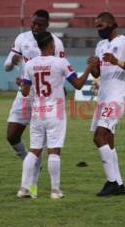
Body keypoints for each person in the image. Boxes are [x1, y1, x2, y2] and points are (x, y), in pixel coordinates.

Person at [17, 31, 97, 199]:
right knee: (54, 151)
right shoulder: (61, 62)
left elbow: (24, 92)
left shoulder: (30, 64)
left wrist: (22, 83)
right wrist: (89, 68)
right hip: (55, 112)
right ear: (52, 46)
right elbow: (78, 85)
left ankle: (24, 189)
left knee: (34, 151)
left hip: (37, 112)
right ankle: (55, 190)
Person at [3, 9, 65, 197]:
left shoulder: (56, 43)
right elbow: (6, 66)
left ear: (47, 24)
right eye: (33, 23)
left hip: (45, 99)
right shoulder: (22, 38)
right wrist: (12, 62)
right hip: (25, 94)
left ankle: (31, 185)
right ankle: (32, 164)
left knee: (46, 143)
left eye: (39, 24)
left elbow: (59, 72)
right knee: (12, 136)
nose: (35, 27)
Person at [88, 12, 125, 196]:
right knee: (108, 141)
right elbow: (97, 74)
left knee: (99, 137)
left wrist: (117, 61)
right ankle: (119, 184)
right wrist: (93, 65)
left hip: (116, 97)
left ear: (112, 25)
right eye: (97, 26)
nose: (98, 30)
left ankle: (112, 182)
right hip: (103, 97)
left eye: (101, 26)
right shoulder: (100, 45)